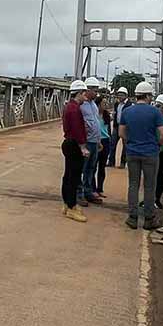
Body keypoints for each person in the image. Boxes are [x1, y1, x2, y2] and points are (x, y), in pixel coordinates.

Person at [119, 81, 163, 230]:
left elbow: (121, 133)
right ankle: (148, 219)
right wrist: (157, 144)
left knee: (133, 185)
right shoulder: (155, 112)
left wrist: (130, 143)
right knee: (149, 186)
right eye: (151, 96)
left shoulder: (127, 112)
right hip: (150, 154)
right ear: (147, 96)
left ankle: (132, 218)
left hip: (132, 153)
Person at [61, 80, 89, 223]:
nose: (86, 96)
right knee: (74, 177)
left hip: (69, 143)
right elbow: (78, 130)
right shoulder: (75, 109)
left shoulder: (69, 107)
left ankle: (67, 204)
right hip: (74, 145)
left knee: (68, 175)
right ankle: (71, 207)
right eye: (84, 93)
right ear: (79, 93)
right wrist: (83, 147)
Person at [79, 77, 103, 205]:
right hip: (86, 141)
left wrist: (99, 141)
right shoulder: (81, 104)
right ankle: (79, 194)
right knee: (82, 168)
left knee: (91, 168)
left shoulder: (93, 104)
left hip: (94, 141)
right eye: (95, 90)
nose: (96, 93)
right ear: (87, 90)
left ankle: (88, 191)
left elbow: (96, 122)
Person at [110, 86, 131, 168]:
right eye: (119, 94)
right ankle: (111, 161)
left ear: (126, 95)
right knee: (112, 144)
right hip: (116, 126)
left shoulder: (129, 105)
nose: (120, 96)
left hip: (125, 127)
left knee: (125, 146)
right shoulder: (116, 104)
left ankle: (123, 162)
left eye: (122, 95)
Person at [95, 96, 112, 198]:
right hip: (96, 140)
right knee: (93, 166)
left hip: (105, 141)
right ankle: (92, 188)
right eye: (103, 103)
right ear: (98, 104)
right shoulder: (94, 114)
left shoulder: (106, 115)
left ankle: (100, 188)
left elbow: (108, 129)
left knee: (102, 166)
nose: (105, 105)